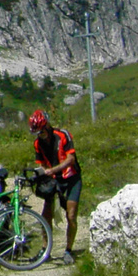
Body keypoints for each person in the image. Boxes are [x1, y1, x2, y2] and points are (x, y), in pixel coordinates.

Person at [29, 109, 81, 265]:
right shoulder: (38, 143)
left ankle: (68, 250)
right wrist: (43, 173)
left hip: (72, 179)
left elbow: (70, 159)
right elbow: (42, 164)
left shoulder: (63, 135)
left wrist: (53, 170)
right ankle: (46, 250)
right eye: (37, 133)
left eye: (42, 132)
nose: (40, 135)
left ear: (47, 127)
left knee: (71, 215)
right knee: (46, 216)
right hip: (55, 181)